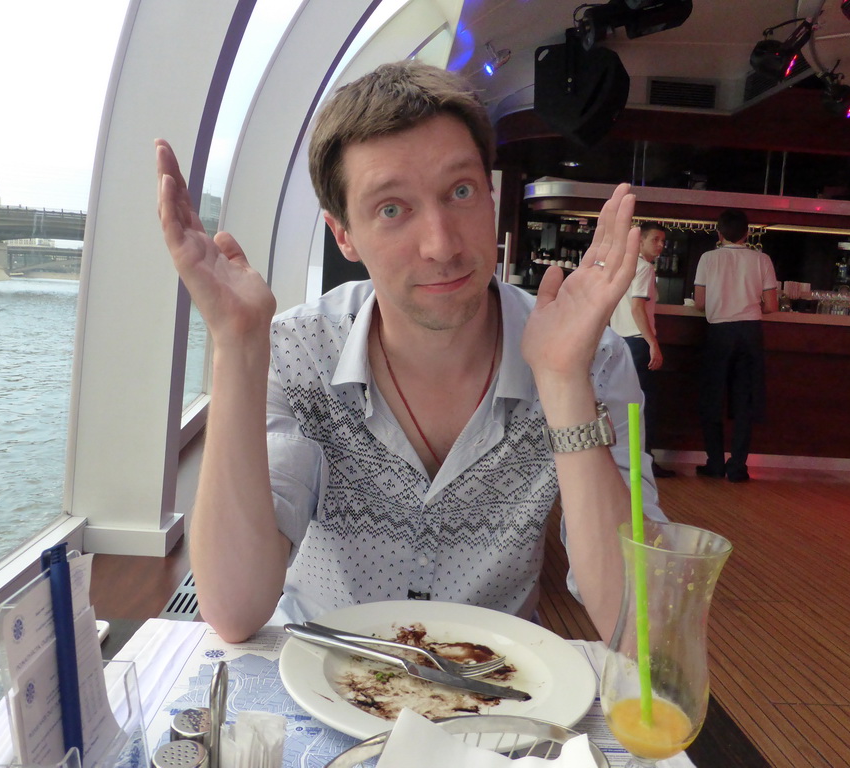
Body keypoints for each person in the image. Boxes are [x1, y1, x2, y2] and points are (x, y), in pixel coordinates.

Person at [155, 61, 665, 644]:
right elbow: (236, 608)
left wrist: (564, 382)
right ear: (343, 233)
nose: (441, 245)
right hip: (323, 677)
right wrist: (237, 347)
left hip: (496, 691)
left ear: (491, 196)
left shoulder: (589, 357)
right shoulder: (298, 349)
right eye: (392, 208)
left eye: (461, 192)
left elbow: (637, 629)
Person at [693, 209, 778, 483]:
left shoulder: (708, 258)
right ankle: (738, 466)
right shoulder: (762, 259)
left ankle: (715, 463)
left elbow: (699, 303)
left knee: (713, 397)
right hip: (750, 333)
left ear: (718, 233)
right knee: (745, 401)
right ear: (748, 233)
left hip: (719, 332)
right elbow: (772, 306)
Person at [609, 221, 675, 479]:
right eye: (655, 240)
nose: (660, 245)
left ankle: (622, 460)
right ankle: (645, 462)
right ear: (640, 241)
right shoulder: (645, 268)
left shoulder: (622, 268)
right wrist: (653, 343)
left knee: (624, 404)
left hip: (619, 341)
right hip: (637, 342)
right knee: (644, 405)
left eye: (662, 241)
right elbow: (637, 308)